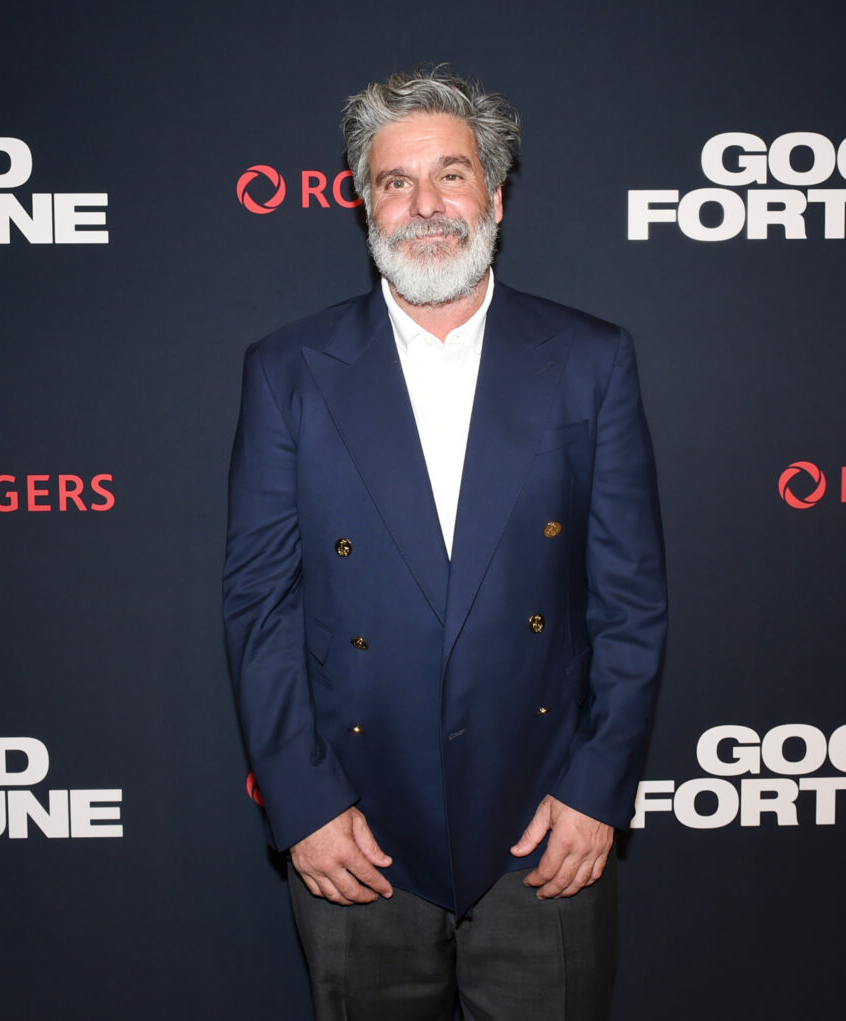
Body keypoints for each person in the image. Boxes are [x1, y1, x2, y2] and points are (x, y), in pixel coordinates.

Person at [223, 65, 667, 1021]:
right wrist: (303, 804)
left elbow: (631, 602)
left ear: (494, 196)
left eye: (451, 175)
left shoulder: (590, 360)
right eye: (396, 181)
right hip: (355, 835)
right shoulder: (289, 371)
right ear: (365, 205)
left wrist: (597, 791)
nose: (426, 205)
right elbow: (260, 607)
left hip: (544, 829)